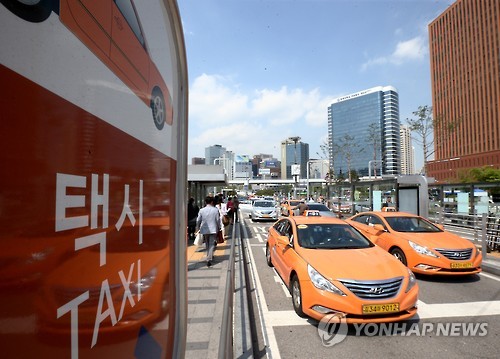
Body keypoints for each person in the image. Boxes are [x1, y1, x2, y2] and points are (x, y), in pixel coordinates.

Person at [196, 196, 221, 267]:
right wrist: (219, 227)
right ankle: (209, 258)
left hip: (204, 229)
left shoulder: (201, 210)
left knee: (207, 243)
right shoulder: (215, 210)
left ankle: (208, 255)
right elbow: (218, 220)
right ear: (212, 202)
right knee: (212, 244)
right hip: (213, 229)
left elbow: (198, 220)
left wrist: (197, 227)